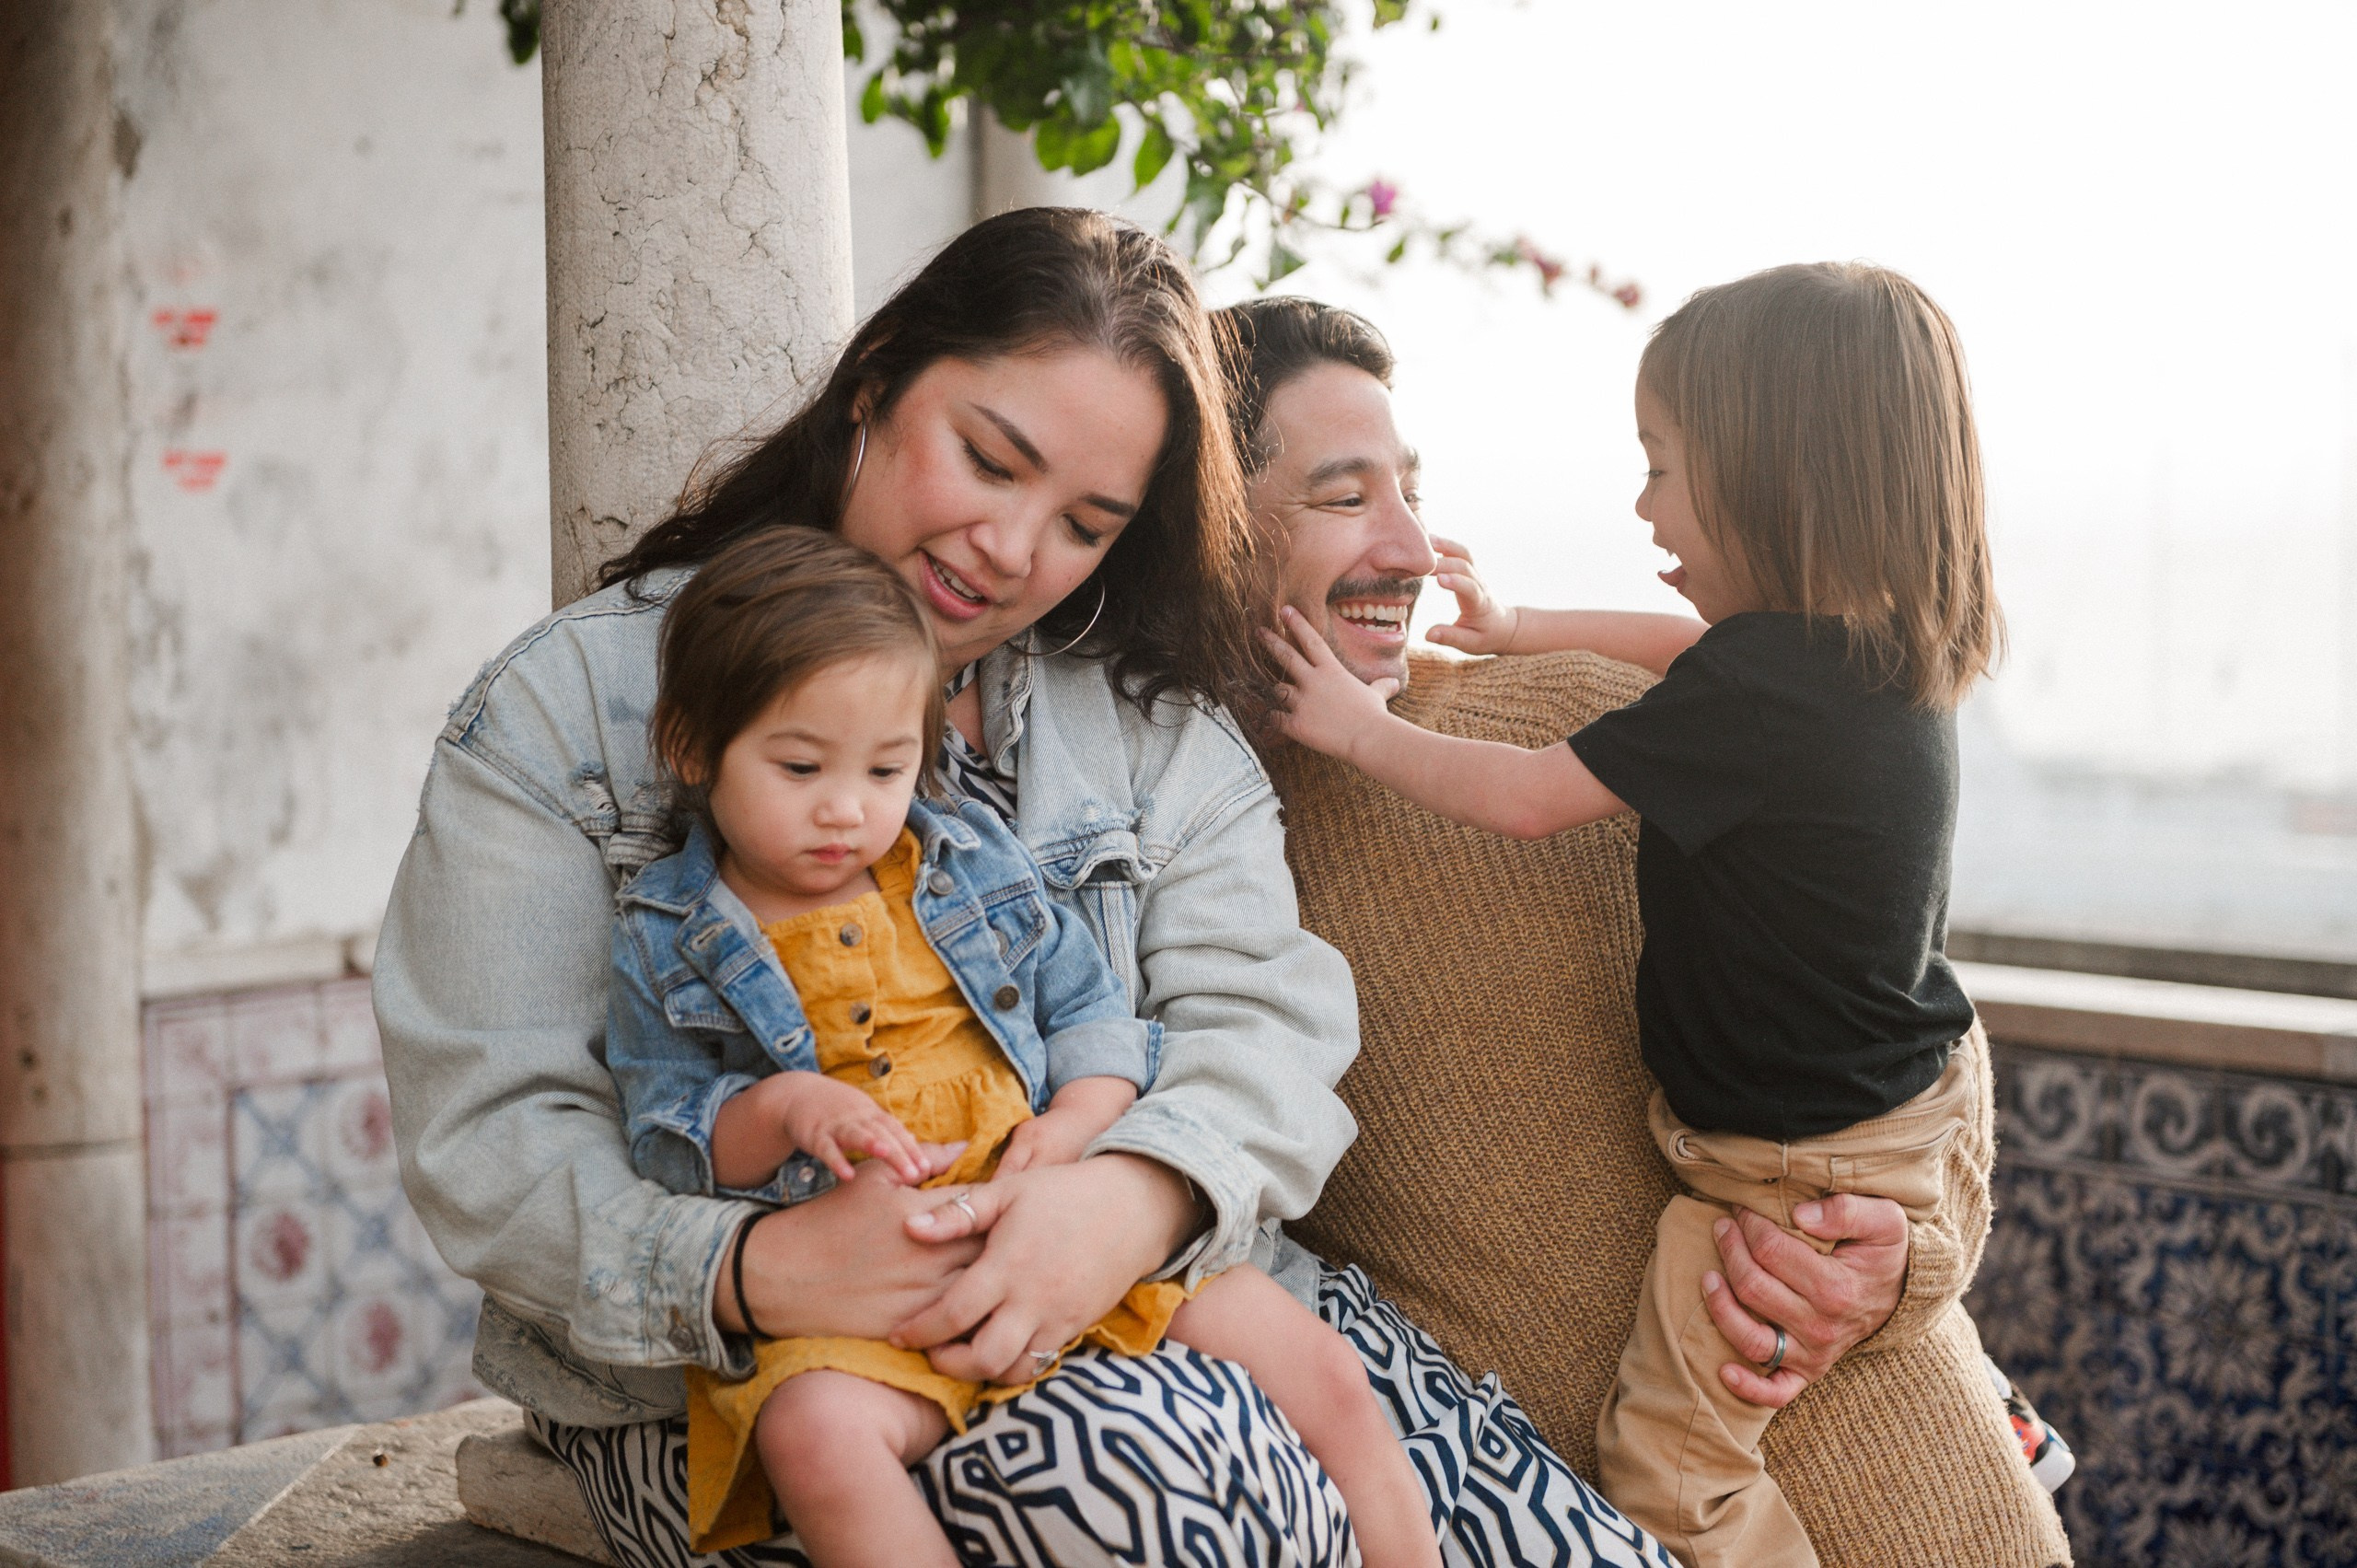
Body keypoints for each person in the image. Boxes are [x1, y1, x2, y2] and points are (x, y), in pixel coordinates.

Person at [375, 207, 1672, 1567]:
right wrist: (758, 1266)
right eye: (989, 460)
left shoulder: (1138, 722)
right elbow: (492, 1134)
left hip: (1160, 1275)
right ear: (874, 388)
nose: (1008, 549)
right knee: (1151, 1491)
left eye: (1085, 523)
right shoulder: (570, 709)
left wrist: (1133, 1194)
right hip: (752, 1372)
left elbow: (1270, 1027)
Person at [1222, 293, 2074, 1568]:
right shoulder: (1180, 865)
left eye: (1411, 484)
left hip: (1942, 1503)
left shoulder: (1594, 720)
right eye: (1348, 496)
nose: (1411, 542)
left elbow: (1916, 1007)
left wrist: (1914, 1258)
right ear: (1208, 531)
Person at [604, 527, 1439, 1565]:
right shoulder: (669, 932)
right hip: (881, 1288)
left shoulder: (960, 863)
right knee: (810, 1435)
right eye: (800, 764)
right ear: (692, 747)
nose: (846, 807)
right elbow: (666, 1135)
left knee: (1321, 1366)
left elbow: (1086, 1007)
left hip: (1063, 1219)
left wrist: (1083, 1118)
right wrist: (777, 1115)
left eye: (885, 767)